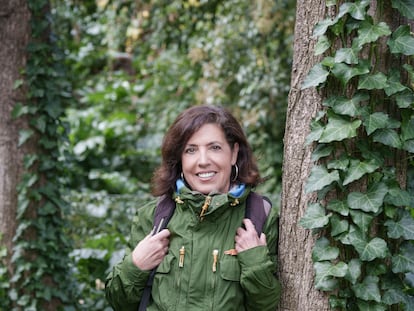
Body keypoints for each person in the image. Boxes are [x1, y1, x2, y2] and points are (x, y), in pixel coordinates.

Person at [105, 105, 281, 310]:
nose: (203, 161)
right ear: (180, 159)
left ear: (233, 153)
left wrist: (254, 262)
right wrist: (136, 265)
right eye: (191, 150)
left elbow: (268, 305)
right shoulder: (155, 216)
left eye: (215, 147)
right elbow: (119, 302)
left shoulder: (259, 216)